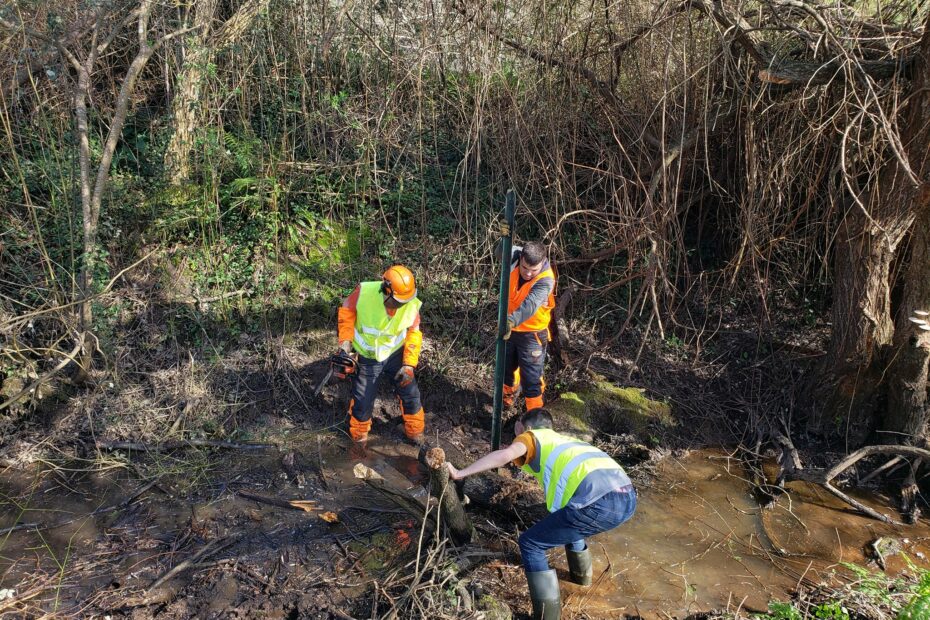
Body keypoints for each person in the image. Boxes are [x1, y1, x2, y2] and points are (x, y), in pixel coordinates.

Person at [447, 408, 636, 620]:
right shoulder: (564, 441)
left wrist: (459, 472)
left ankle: (547, 616)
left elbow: (504, 456)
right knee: (570, 524)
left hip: (599, 503)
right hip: (627, 498)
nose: (515, 430)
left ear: (527, 427)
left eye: (518, 423)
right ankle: (582, 581)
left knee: (530, 543)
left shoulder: (531, 436)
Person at [337, 265, 425, 445]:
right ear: (386, 290)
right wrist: (345, 345)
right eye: (398, 301)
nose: (401, 305)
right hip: (368, 358)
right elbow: (347, 311)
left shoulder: (410, 303)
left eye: (404, 301)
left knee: (410, 393)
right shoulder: (365, 292)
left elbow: (414, 332)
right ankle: (359, 441)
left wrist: (409, 364)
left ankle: (416, 434)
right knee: (362, 401)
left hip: (396, 354)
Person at [503, 241, 556, 411]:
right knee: (506, 369)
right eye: (525, 267)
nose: (528, 273)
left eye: (534, 270)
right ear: (521, 258)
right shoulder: (513, 257)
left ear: (543, 261)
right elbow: (499, 250)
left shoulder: (546, 279)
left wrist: (510, 321)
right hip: (510, 330)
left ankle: (534, 416)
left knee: (532, 379)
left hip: (532, 334)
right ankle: (506, 402)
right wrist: (502, 238)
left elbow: (530, 305)